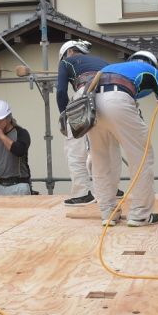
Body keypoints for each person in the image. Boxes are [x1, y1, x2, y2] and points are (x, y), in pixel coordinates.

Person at [89, 50, 158, 227]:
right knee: (141, 157)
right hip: (117, 99)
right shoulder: (153, 71)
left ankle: (108, 214)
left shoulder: (113, 67)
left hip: (91, 104)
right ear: (151, 63)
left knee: (101, 160)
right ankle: (140, 214)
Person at [56, 40, 106, 205]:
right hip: (111, 96)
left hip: (85, 94)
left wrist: (64, 114)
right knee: (103, 145)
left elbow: (61, 91)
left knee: (75, 147)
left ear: (69, 52)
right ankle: (110, 189)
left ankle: (83, 193)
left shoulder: (66, 62)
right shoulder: (103, 61)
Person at [0, 100, 32, 195]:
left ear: (8, 118)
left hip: (19, 186)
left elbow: (19, 151)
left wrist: (2, 136)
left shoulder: (21, 133)